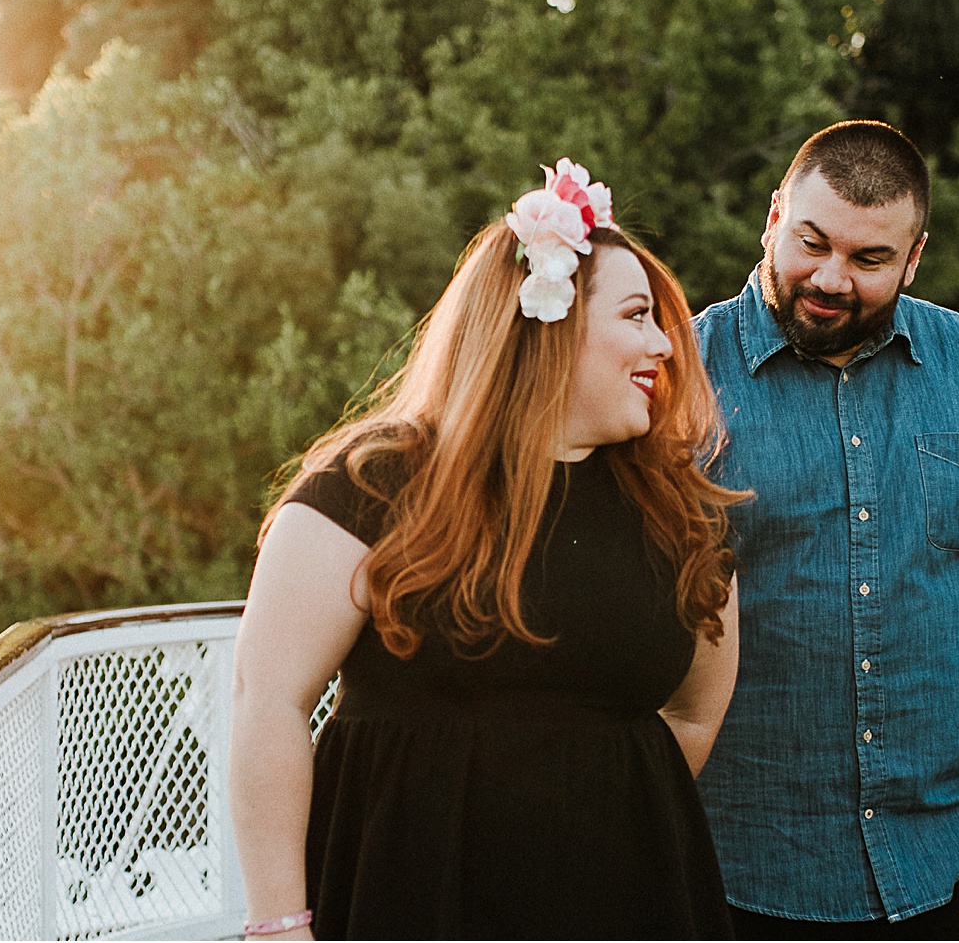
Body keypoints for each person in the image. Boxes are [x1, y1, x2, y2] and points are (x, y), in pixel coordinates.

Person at [229, 158, 746, 940]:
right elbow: (267, 700)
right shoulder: (371, 484)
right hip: (405, 897)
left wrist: (586, 818)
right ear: (550, 320)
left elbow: (694, 715)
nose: (665, 346)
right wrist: (278, 925)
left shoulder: (682, 515)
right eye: (638, 315)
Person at [693, 120, 959, 939]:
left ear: (913, 258)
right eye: (812, 242)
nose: (831, 278)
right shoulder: (674, 376)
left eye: (870, 259)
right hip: (745, 867)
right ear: (774, 216)